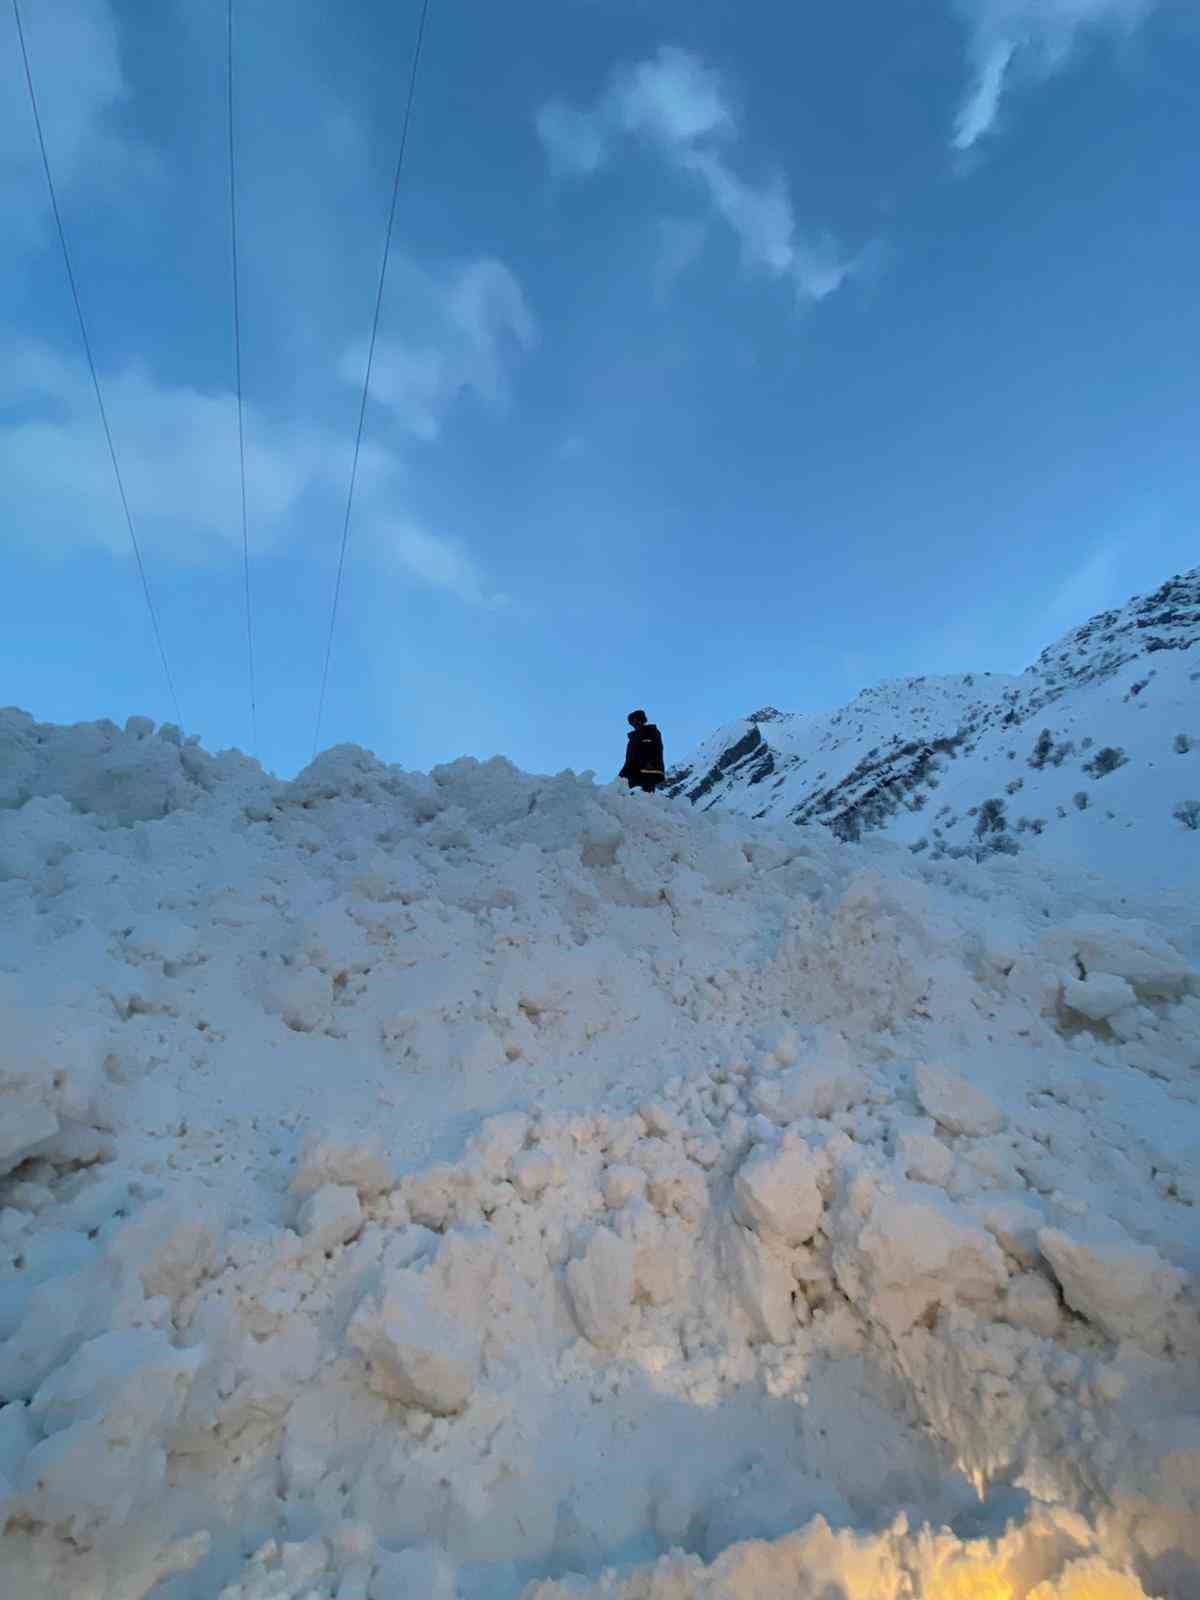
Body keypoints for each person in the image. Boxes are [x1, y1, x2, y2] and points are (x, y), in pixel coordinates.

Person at [619, 709, 665, 793]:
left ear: (642, 720)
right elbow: (630, 758)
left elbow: (656, 749)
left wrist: (649, 763)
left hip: (649, 770)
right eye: (632, 722)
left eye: (637, 720)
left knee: (646, 796)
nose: (635, 724)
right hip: (634, 771)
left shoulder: (651, 732)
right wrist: (623, 772)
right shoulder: (634, 738)